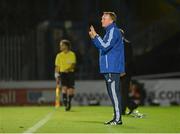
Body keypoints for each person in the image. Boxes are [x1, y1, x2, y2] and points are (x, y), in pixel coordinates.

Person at [89, 12, 125, 125]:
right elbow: (103, 46)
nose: (101, 20)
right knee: (113, 94)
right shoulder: (109, 32)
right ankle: (116, 117)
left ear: (111, 20)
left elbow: (104, 46)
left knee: (114, 94)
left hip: (112, 68)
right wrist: (95, 38)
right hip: (110, 68)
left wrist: (96, 36)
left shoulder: (113, 31)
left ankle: (118, 119)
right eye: (102, 18)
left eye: (104, 18)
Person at [54, 39, 76, 111]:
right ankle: (65, 101)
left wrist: (68, 69)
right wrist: (56, 75)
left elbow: (73, 65)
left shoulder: (72, 54)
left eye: (62, 45)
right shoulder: (59, 55)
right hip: (63, 73)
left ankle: (69, 102)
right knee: (64, 88)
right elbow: (57, 66)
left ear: (66, 46)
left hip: (70, 73)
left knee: (71, 89)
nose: (60, 46)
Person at [119, 29, 134, 115]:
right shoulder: (116, 44)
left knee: (123, 91)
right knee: (120, 91)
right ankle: (132, 105)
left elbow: (129, 59)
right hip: (118, 70)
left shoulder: (127, 44)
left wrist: (124, 70)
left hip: (126, 71)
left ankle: (122, 111)